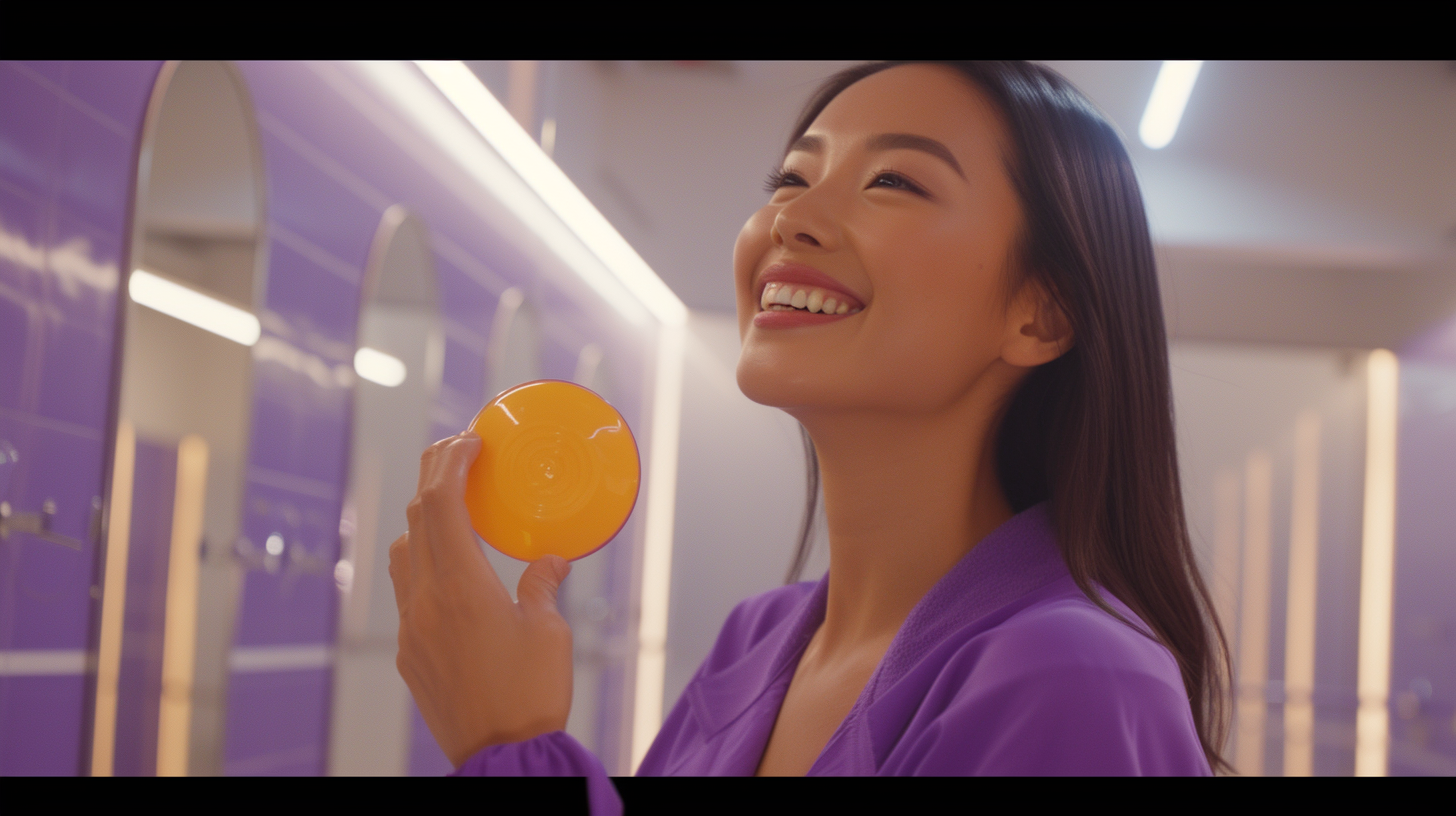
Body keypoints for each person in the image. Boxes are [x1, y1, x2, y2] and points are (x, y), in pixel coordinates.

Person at [388, 61, 1228, 806]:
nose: (792, 218)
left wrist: (509, 747)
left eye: (894, 181)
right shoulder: (756, 640)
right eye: (790, 178)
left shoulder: (1077, 680)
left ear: (1042, 314)